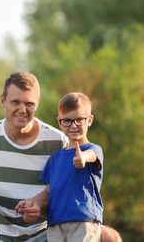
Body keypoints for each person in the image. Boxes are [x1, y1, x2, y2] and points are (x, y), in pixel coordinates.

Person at [0, 72, 68, 241]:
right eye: (15, 102)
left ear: (37, 103)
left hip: (48, 235)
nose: (22, 109)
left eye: (29, 103)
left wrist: (40, 207)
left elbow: (64, 199)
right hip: (4, 237)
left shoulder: (58, 141)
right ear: (3, 101)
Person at [16, 92, 104, 241]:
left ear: (89, 120)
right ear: (59, 122)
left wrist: (83, 157)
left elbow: (92, 156)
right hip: (55, 223)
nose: (73, 125)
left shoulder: (93, 149)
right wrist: (32, 202)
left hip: (83, 221)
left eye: (79, 120)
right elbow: (48, 192)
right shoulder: (55, 158)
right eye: (67, 121)